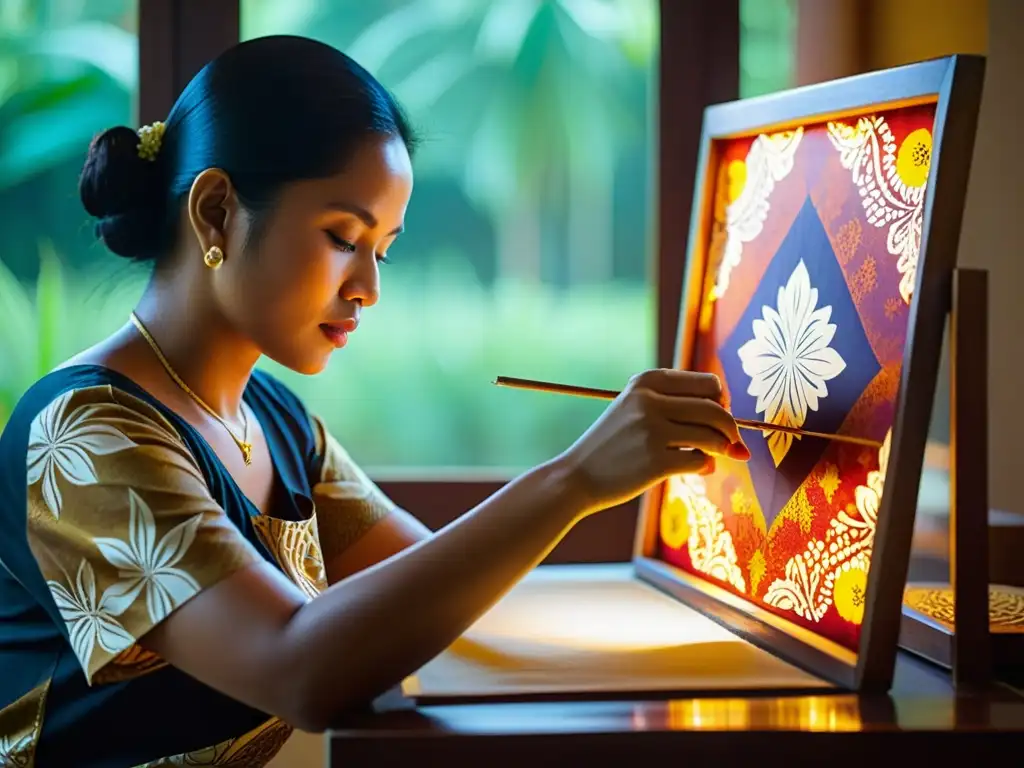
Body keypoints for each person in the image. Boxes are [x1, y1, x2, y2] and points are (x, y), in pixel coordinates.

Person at [0, 35, 750, 767]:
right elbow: (298, 670)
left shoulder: (276, 421)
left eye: (381, 248)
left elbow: (424, 590)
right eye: (341, 236)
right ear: (218, 210)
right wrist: (574, 479)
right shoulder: (87, 433)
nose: (368, 288)